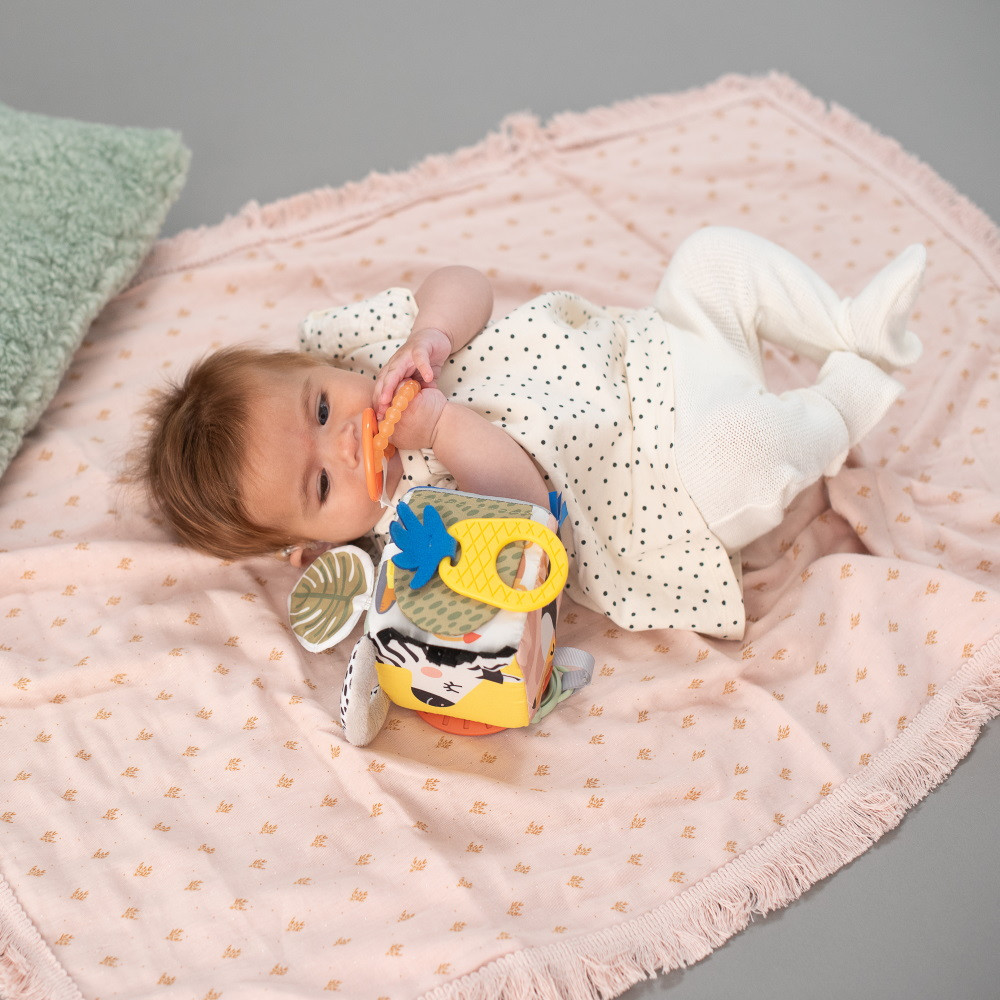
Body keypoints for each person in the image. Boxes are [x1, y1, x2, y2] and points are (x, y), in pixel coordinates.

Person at [139, 227, 925, 639]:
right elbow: (525, 508)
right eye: (320, 484)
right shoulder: (412, 530)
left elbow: (464, 282)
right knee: (740, 456)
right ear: (308, 546)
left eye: (318, 409)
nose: (345, 441)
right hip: (662, 482)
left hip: (655, 351)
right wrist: (442, 427)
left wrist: (432, 332)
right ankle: (851, 393)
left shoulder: (376, 352)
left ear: (314, 364)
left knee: (711, 258)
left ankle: (848, 326)